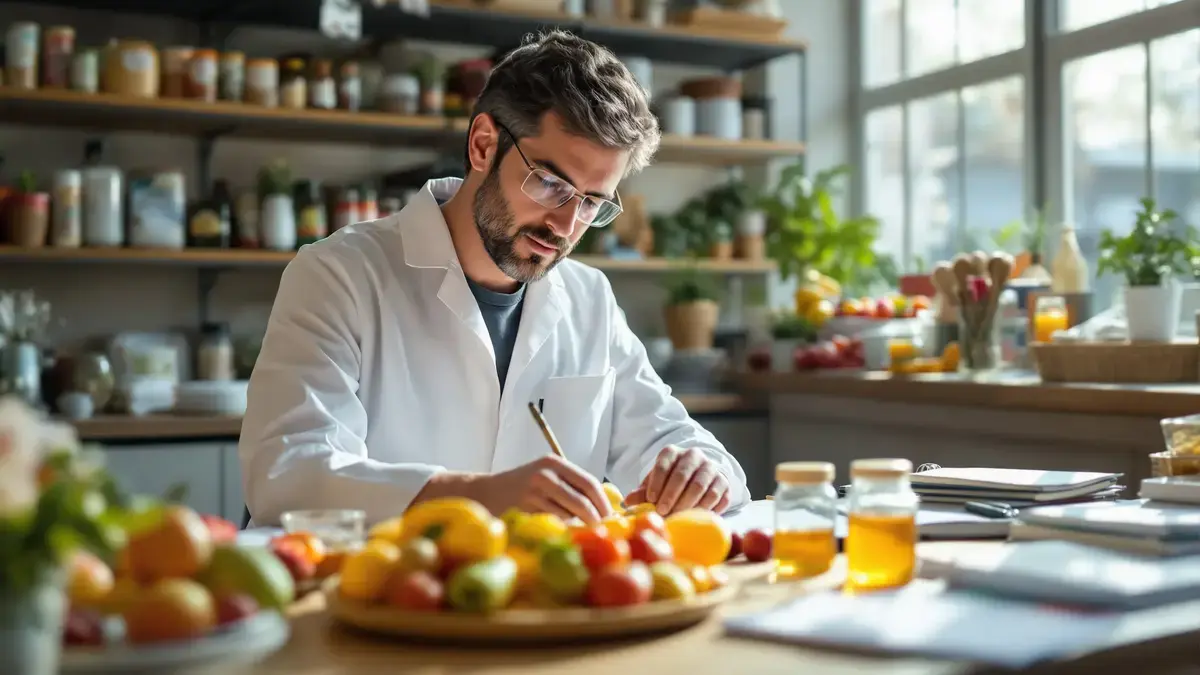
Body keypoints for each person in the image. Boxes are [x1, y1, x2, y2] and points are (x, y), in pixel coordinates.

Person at [238, 30, 750, 528]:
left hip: (536, 602)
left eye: (593, 203)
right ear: (483, 145)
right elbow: (288, 474)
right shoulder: (339, 274)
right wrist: (479, 496)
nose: (567, 226)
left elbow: (677, 440)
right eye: (551, 184)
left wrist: (701, 472)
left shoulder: (589, 298)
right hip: (387, 597)